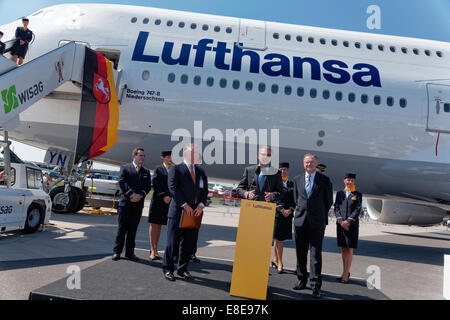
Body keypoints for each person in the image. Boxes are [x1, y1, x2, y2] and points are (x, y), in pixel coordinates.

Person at [163, 144, 208, 281]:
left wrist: (200, 205)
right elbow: (173, 188)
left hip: (194, 213)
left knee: (188, 244)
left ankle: (182, 269)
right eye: (195, 153)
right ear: (186, 154)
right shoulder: (176, 169)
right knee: (172, 243)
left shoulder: (200, 172)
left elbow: (204, 190)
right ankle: (168, 269)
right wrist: (185, 205)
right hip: (178, 212)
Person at [292, 153, 333, 299]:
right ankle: (301, 280)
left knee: (315, 255)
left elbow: (328, 201)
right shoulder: (297, 179)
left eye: (311, 162)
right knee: (300, 253)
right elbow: (297, 199)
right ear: (303, 164)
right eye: (306, 162)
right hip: (300, 222)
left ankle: (315, 285)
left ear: (316, 164)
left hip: (317, 223)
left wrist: (318, 214)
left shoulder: (324, 180)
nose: (309, 165)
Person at [113, 147, 152, 262]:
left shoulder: (145, 171)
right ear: (134, 156)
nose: (143, 158)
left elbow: (148, 186)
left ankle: (130, 253)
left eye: (144, 156)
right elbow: (122, 182)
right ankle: (117, 252)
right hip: (125, 204)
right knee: (121, 229)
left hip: (138, 204)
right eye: (141, 155)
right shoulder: (125, 168)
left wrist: (140, 195)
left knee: (133, 230)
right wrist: (131, 195)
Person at [334, 173, 362, 283]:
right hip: (341, 225)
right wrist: (341, 221)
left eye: (352, 180)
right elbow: (336, 208)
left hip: (352, 226)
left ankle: (346, 274)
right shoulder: (340, 194)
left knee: (349, 249)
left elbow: (358, 209)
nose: (350, 182)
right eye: (348, 180)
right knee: (343, 249)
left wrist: (348, 221)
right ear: (344, 180)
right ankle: (344, 272)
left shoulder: (358, 194)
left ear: (354, 182)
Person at [148, 151, 173, 260]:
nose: (170, 159)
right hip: (158, 200)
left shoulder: (174, 169)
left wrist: (171, 196)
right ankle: (153, 251)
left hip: (169, 201)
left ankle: (156, 249)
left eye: (171, 157)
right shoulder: (158, 169)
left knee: (160, 226)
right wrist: (164, 196)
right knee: (154, 225)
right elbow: (155, 183)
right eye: (168, 157)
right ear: (163, 158)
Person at [272, 162, 294, 274]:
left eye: (285, 169)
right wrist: (281, 210)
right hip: (277, 215)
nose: (283, 171)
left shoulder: (291, 184)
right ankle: (280, 262)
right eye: (281, 169)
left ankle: (275, 259)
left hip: (288, 215)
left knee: (278, 238)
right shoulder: (274, 183)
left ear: (288, 171)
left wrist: (290, 210)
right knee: (279, 239)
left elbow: (295, 200)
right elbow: (272, 198)